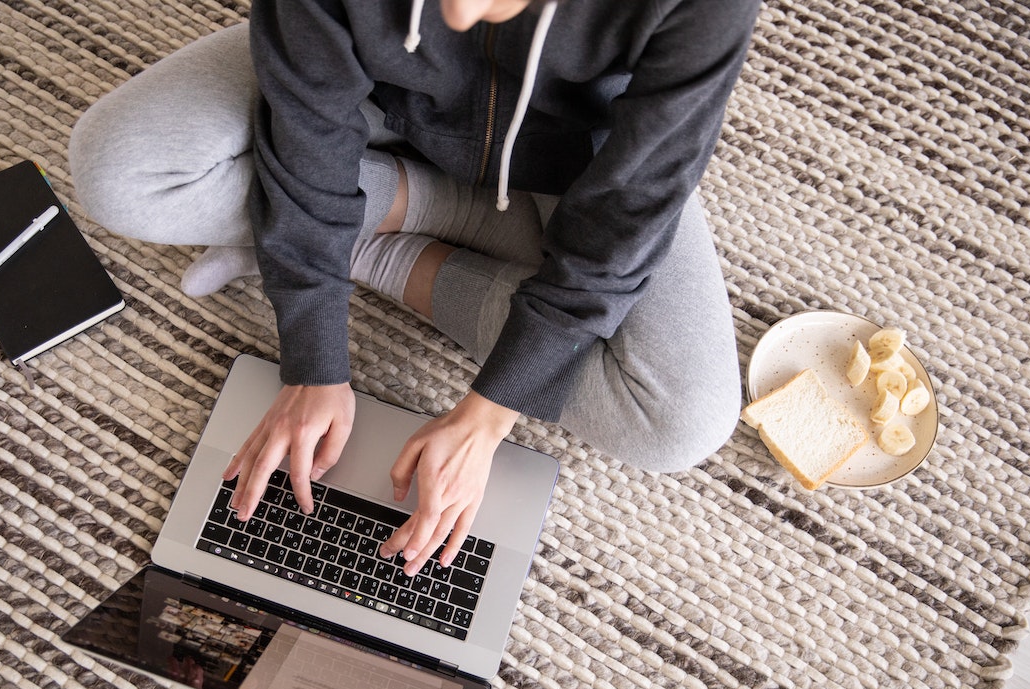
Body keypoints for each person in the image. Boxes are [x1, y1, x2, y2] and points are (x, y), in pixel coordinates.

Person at [70, 0, 761, 577]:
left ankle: (375, 228)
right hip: (369, 97)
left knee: (683, 419)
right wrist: (313, 358)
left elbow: (624, 217)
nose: (453, 14)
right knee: (116, 170)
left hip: (580, 157)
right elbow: (306, 126)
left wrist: (490, 411)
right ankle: (390, 222)